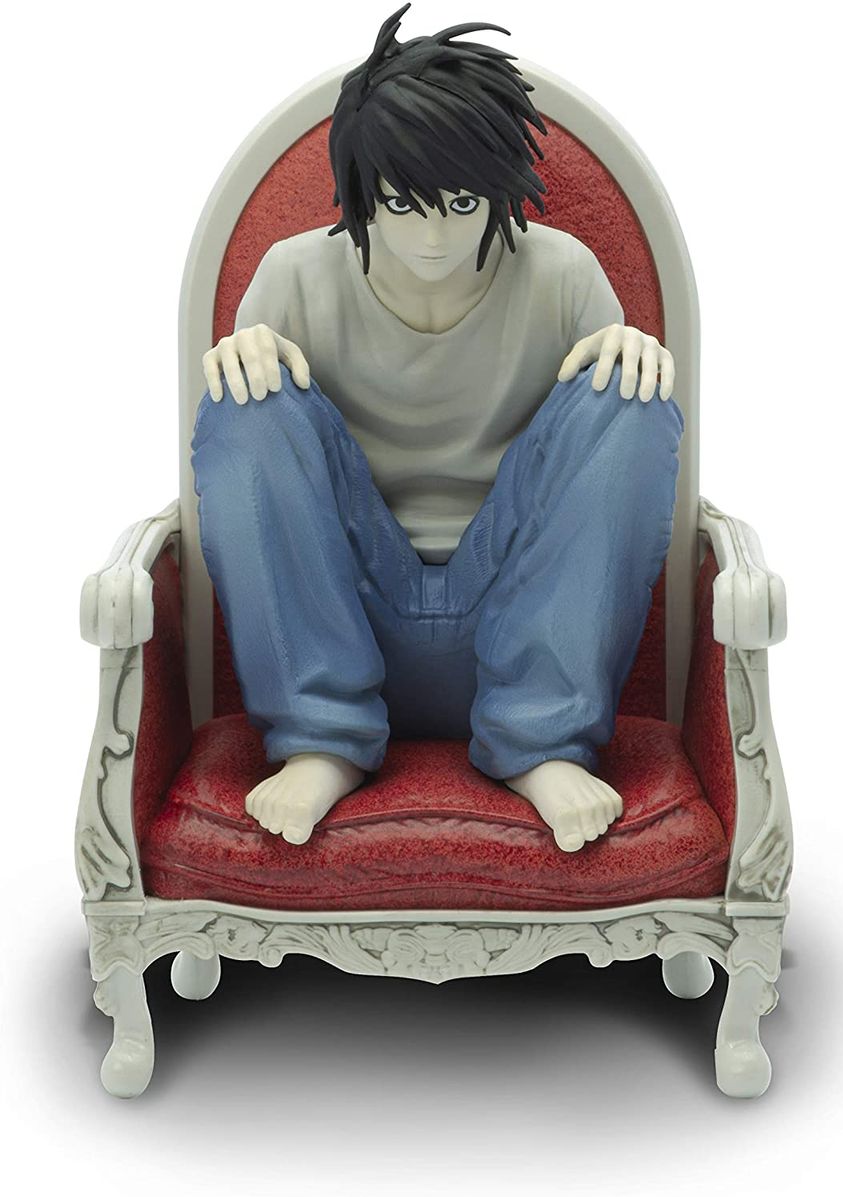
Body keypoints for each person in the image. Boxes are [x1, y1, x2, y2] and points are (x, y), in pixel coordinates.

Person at [192, 3, 684, 854]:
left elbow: (606, 472)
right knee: (245, 392)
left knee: (628, 389)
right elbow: (257, 479)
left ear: (500, 189)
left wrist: (630, 354)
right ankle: (319, 738)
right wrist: (244, 357)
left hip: (522, 605)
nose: (432, 234)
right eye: (402, 202)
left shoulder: (564, 273)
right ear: (360, 189)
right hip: (345, 603)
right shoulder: (294, 276)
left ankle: (541, 739)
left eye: (461, 202)